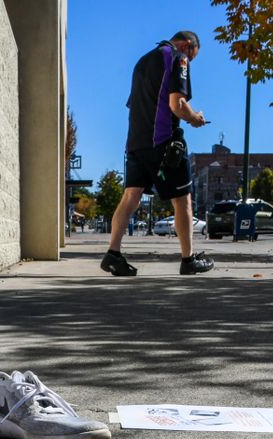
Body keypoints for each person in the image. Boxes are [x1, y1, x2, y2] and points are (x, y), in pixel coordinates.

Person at [102, 31, 214, 277]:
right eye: (193, 56)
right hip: (162, 141)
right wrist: (195, 119)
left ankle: (113, 254)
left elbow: (135, 104)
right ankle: (188, 260)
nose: (190, 61)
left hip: (135, 142)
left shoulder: (142, 61)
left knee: (130, 196)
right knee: (183, 199)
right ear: (187, 45)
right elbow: (177, 104)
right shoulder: (178, 58)